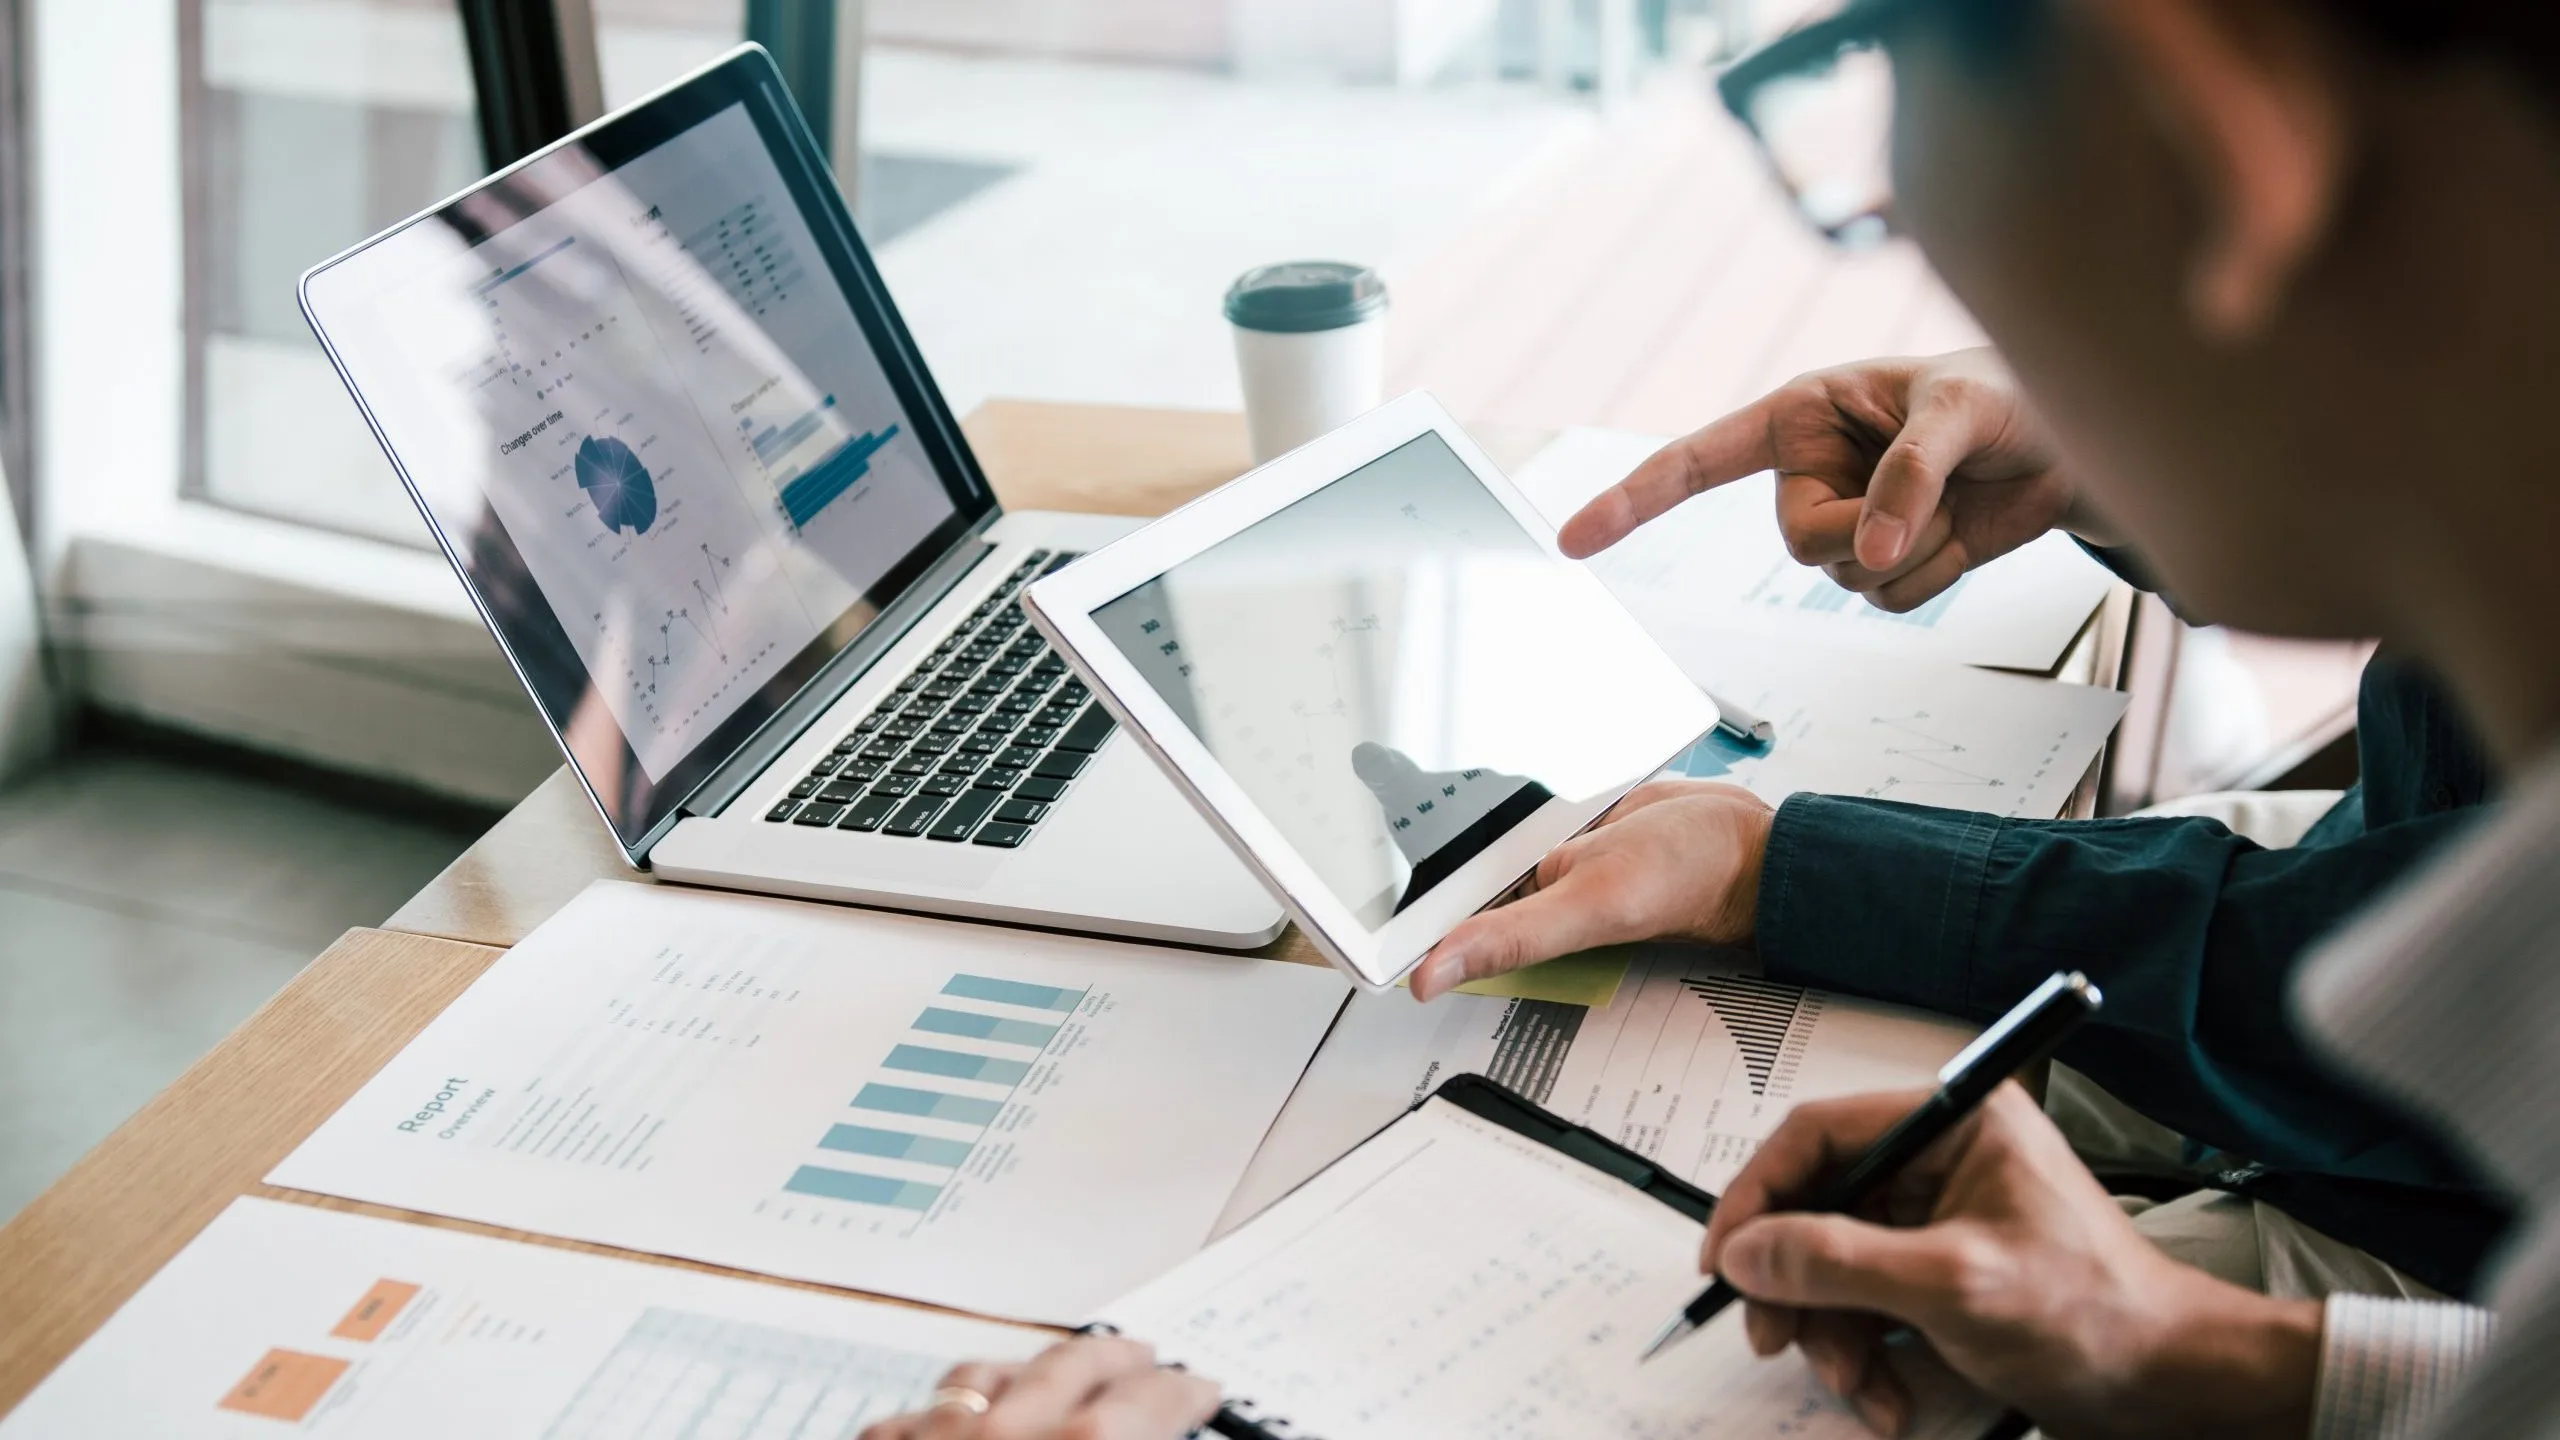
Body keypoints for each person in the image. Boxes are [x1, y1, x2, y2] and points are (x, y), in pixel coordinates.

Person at [864, 0, 2560, 1433]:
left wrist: (1789, 867)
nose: (1891, 207)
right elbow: (2431, 877)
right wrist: (2186, 1348)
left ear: (2205, 135)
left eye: (1864, 51)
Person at [1421, 348, 2506, 1300]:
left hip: (2465, 1227)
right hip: (2363, 857)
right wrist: (2085, 461)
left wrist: (1769, 872)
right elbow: (2446, 536)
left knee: (1819, 1326)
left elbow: (2419, 978)